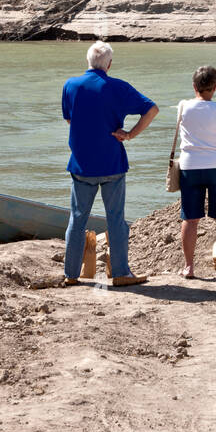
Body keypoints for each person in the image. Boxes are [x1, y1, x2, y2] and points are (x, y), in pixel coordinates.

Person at [61, 41, 158, 287]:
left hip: (82, 164)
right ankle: (121, 272)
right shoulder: (119, 87)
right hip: (112, 163)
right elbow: (152, 109)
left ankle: (71, 274)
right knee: (116, 219)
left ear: (88, 62)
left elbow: (70, 120)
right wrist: (130, 134)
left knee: (77, 218)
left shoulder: (71, 85)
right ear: (109, 64)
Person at [175, 66, 216, 279]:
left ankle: (189, 267)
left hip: (190, 166)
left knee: (190, 219)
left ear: (194, 86)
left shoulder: (183, 107)